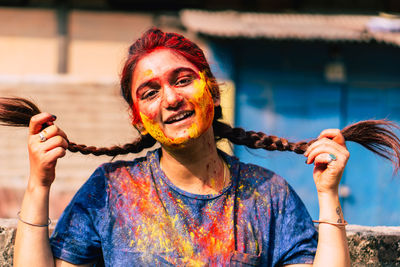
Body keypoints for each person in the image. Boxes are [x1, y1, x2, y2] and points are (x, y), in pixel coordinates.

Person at [1, 28, 399, 266]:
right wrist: (39, 183)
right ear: (139, 117)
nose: (170, 99)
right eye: (150, 91)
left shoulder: (268, 197)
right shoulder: (110, 192)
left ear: (212, 89)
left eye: (182, 79)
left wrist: (328, 194)